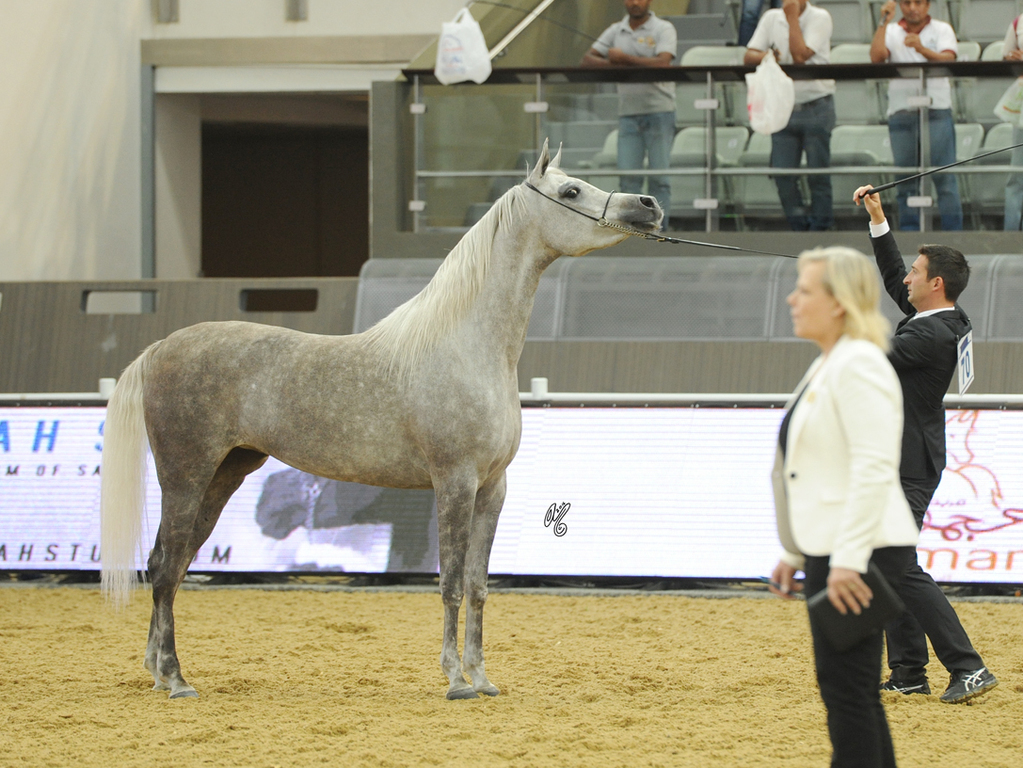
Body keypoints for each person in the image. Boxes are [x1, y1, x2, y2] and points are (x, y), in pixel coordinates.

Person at [769, 246, 919, 767]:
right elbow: (816, 469)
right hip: (839, 545)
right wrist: (796, 552)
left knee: (846, 690)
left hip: (862, 548)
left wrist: (847, 561)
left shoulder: (857, 363)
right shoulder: (832, 361)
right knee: (850, 689)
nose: (792, 298)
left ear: (838, 303)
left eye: (805, 290)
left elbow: (874, 467)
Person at [854, 184, 999, 703]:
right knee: (886, 563)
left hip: (908, 465)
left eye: (916, 273)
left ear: (935, 283)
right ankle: (910, 672)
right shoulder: (936, 317)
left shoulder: (928, 336)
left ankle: (968, 666)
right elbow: (894, 275)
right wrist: (877, 219)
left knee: (895, 565)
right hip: (901, 460)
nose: (906, 278)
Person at [581, 0, 677, 227]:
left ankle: (659, 229)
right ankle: (632, 230)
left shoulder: (663, 28)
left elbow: (663, 62)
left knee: (660, 178)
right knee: (628, 179)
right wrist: (617, 65)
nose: (635, 2)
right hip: (628, 113)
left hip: (660, 110)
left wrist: (625, 60)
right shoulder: (616, 29)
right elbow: (587, 60)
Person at [744, 0, 836, 231]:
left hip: (816, 105)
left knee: (818, 176)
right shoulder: (771, 17)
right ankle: (799, 228)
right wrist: (769, 55)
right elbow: (749, 56)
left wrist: (792, 17)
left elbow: (799, 56)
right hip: (782, 106)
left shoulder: (820, 17)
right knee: (782, 174)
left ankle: (820, 230)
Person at [871, 0, 962, 231]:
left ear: (928, 5)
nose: (913, 8)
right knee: (905, 181)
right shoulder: (891, 30)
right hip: (901, 113)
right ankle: (909, 234)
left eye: (918, 2)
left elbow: (949, 59)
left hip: (937, 111)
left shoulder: (942, 29)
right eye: (907, 3)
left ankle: (955, 234)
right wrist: (883, 21)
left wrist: (922, 49)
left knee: (944, 178)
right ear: (900, 5)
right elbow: (876, 57)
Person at [1003, 13, 1023, 231]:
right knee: (1017, 175)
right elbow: (1005, 57)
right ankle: (1011, 234)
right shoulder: (1019, 22)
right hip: (1022, 108)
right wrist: (1014, 58)